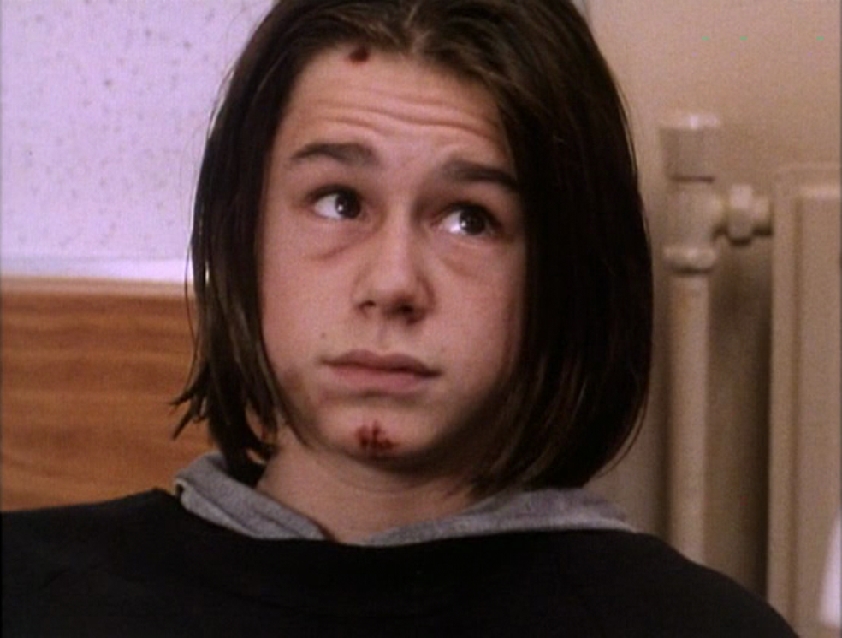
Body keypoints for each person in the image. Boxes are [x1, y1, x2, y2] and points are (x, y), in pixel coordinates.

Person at [2, 0, 796, 635]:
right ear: (243, 233)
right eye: (339, 203)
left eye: (469, 219)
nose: (391, 284)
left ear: (563, 273)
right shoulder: (33, 592)